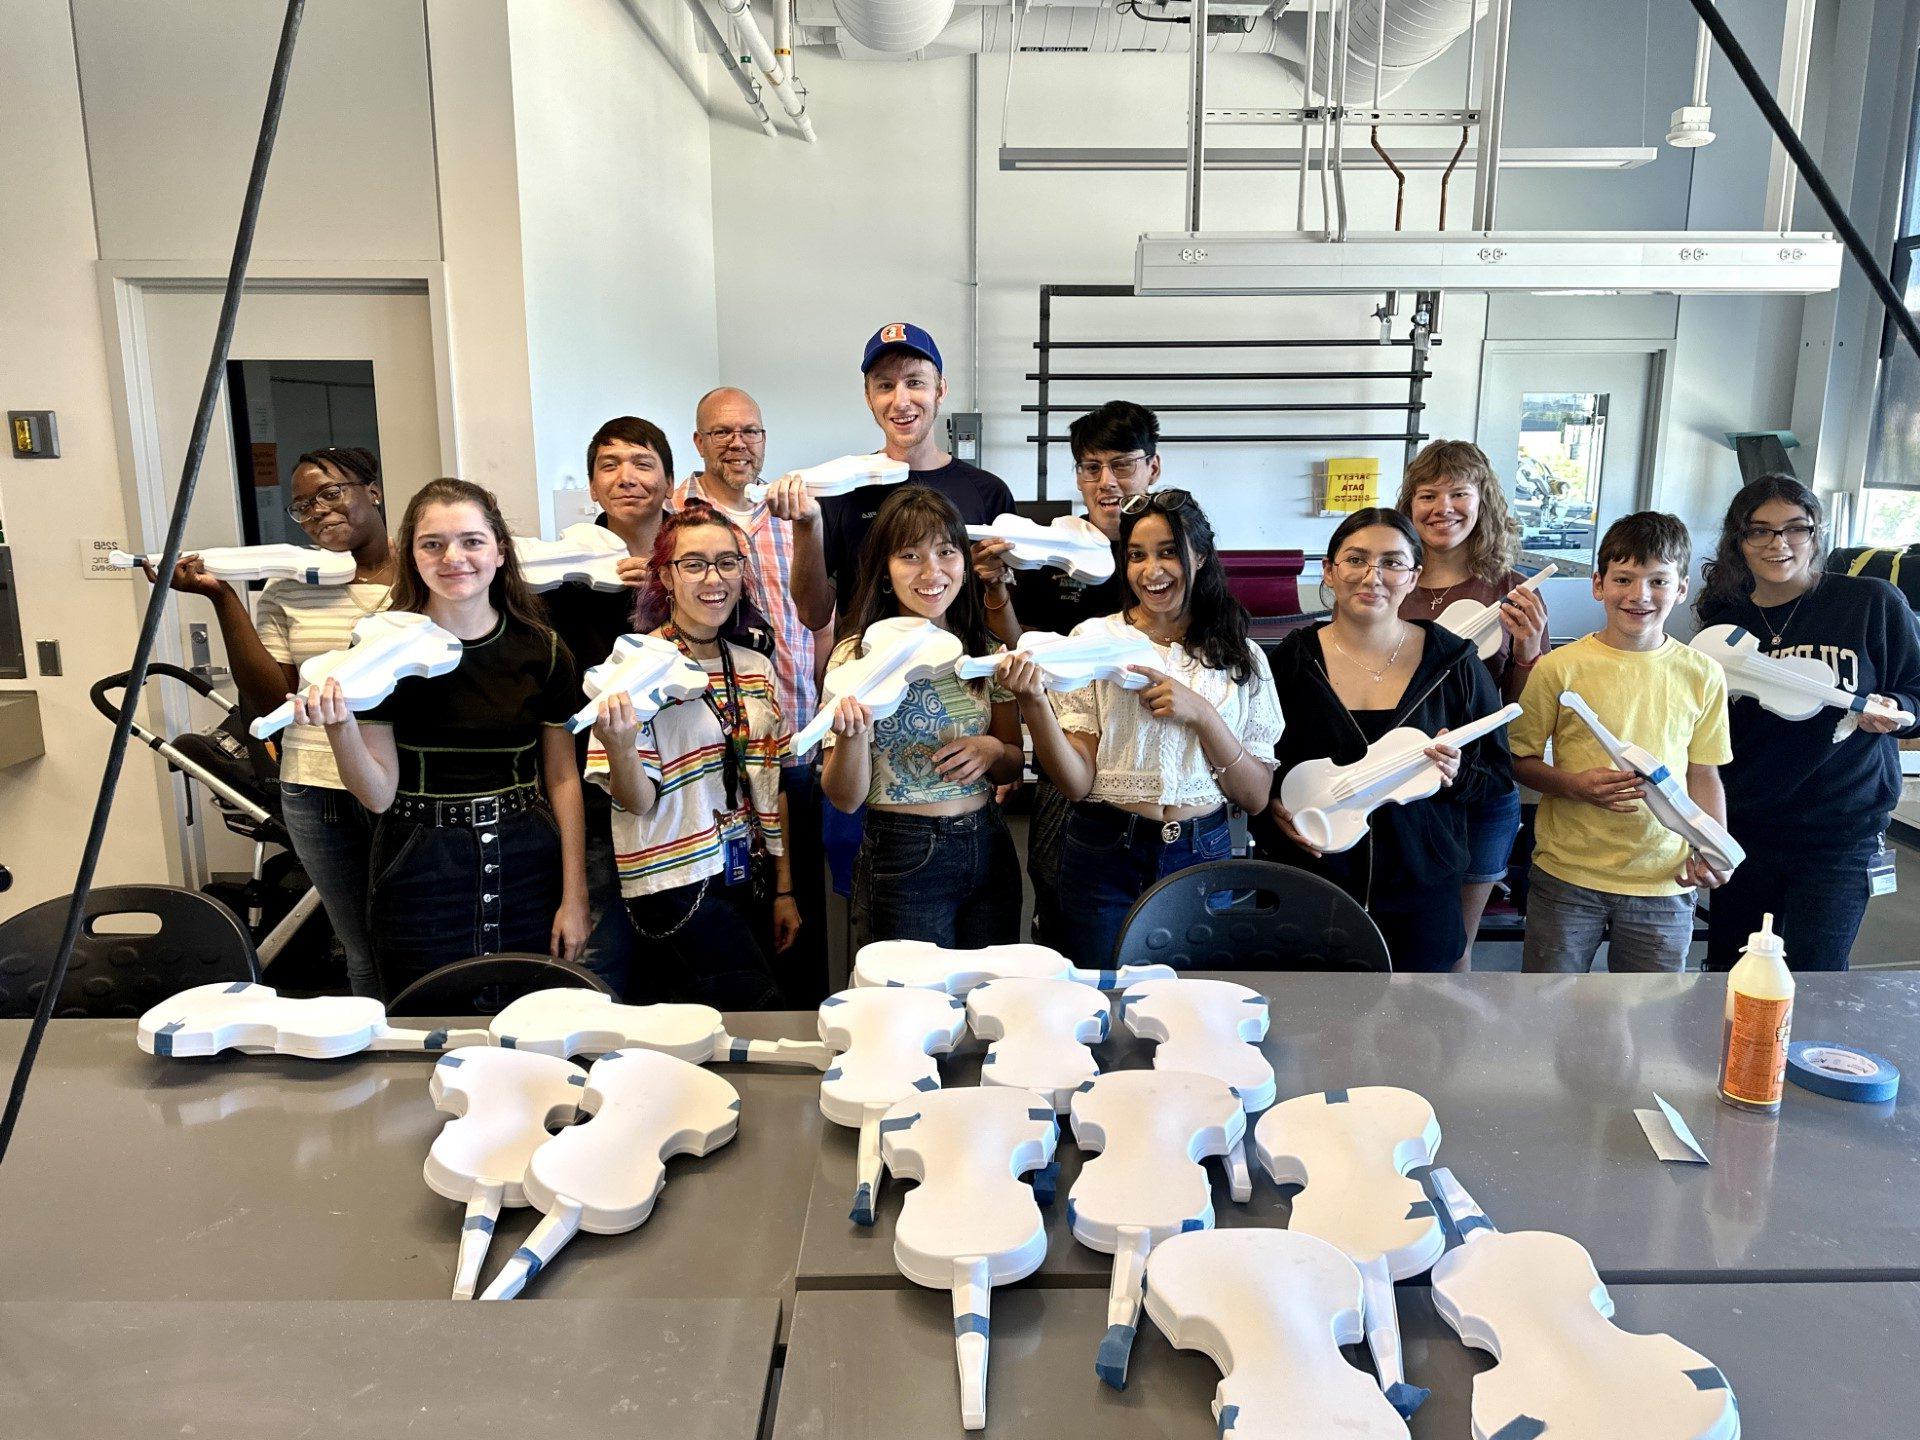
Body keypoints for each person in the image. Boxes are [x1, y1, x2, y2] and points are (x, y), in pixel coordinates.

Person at [294, 478, 589, 995]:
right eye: (432, 544)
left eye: (472, 540)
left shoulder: (541, 648)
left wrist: (576, 893)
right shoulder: (379, 645)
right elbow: (378, 794)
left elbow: (563, 778)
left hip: (529, 862)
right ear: (412, 555)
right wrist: (340, 728)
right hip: (419, 864)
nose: (454, 557)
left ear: (499, 551)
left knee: (533, 1025)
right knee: (425, 1025)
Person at [140, 447, 394, 997]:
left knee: (413, 931)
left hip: (402, 783)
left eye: (332, 492)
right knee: (360, 943)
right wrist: (222, 598)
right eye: (304, 506)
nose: (320, 511)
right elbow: (267, 697)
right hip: (314, 785)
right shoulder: (286, 587)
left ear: (372, 490)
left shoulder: (425, 574)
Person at [1007, 491, 1282, 971]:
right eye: (1137, 555)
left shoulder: (1241, 656)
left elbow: (1256, 797)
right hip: (1105, 850)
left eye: (1168, 552)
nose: (1151, 570)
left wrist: (1202, 714)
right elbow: (1077, 783)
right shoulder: (1093, 641)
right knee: (1102, 1003)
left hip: (1203, 854)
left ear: (1200, 555)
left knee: (1193, 1009)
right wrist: (1033, 702)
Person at [1255, 509, 1513, 972]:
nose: (1373, 576)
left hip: (1423, 885)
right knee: (1314, 1029)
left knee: (1419, 1031)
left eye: (1393, 563)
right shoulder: (1290, 663)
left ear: (1414, 577)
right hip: (1315, 885)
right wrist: (1270, 808)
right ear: (1330, 572)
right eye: (1356, 559)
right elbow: (1256, 766)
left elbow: (1496, 778)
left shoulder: (1454, 663)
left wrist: (1457, 772)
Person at [1696, 476, 1920, 971]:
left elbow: (1916, 691)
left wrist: (1895, 707)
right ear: (1739, 540)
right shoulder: (1724, 620)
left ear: (1816, 533)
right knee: (1733, 975)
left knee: (1815, 978)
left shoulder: (1871, 602)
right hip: (1746, 829)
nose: (1779, 543)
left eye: (1795, 528)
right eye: (1760, 531)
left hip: (1840, 831)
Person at [587, 501, 799, 1007]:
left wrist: (785, 888)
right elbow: (635, 802)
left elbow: (773, 786)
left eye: (728, 562)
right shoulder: (635, 666)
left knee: (730, 1025)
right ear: (666, 575)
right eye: (694, 563)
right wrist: (618, 745)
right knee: (757, 1008)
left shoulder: (752, 666)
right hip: (675, 881)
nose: (714, 578)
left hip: (744, 872)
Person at [971, 400, 1160, 947]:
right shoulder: (1053, 550)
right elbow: (1017, 641)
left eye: (1122, 465)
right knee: (1061, 895)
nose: (1106, 482)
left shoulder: (1174, 549)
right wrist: (994, 586)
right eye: (1090, 467)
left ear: (1153, 466)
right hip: (1070, 750)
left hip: (1146, 750)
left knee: (1156, 908)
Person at [1509, 512, 1733, 973]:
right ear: (1598, 584)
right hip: (1567, 875)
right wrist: (1573, 786)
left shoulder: (1703, 674)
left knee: (1648, 1017)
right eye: (1624, 579)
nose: (1639, 595)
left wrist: (1713, 848)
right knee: (1547, 1005)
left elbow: (1703, 772)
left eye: (1658, 581)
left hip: (1663, 879)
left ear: (1682, 588)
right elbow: (1518, 759)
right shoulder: (1558, 667)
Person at [674, 388, 836, 1004]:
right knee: (726, 925)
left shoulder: (793, 514)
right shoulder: (675, 518)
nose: (737, 443)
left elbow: (820, 620)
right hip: (715, 763)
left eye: (750, 431)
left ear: (766, 440)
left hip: (793, 743)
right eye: (721, 433)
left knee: (798, 921)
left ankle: (801, 1048)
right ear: (698, 443)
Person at [820, 487, 1025, 947]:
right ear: (886, 573)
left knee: (990, 997)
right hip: (903, 851)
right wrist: (853, 737)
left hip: (988, 843)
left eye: (945, 552)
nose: (932, 571)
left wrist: (992, 749)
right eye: (910, 555)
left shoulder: (986, 651)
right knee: (909, 1005)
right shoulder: (854, 658)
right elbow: (845, 798)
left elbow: (1013, 762)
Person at [1395, 440, 1549, 967]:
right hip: (1402, 783)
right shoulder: (1393, 579)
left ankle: (1450, 1049)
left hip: (1482, 788)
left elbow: (1525, 716)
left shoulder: (1512, 589)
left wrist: (1528, 653)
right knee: (1396, 941)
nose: (1444, 508)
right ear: (1409, 506)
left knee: (1453, 950)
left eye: (1460, 493)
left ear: (1484, 502)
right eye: (1428, 494)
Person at [538, 417, 670, 995]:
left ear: (669, 481)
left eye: (643, 463)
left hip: (690, 797)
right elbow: (556, 714)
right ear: (591, 487)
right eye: (609, 465)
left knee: (687, 968)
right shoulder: (560, 577)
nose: (626, 478)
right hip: (597, 802)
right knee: (598, 971)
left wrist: (666, 590)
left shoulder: (700, 558)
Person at [814, 323, 1017, 615]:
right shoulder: (843, 489)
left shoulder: (989, 493)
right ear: (868, 397)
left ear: (940, 390)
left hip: (962, 660)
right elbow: (814, 614)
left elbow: (1007, 608)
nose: (901, 401)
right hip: (867, 660)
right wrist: (806, 523)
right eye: (885, 385)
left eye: (915, 382)